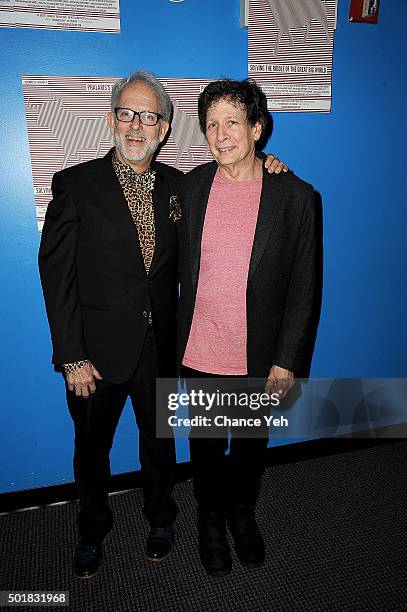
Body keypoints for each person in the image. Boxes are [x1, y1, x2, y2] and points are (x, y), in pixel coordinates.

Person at [38, 70, 287, 579]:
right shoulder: (75, 185)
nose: (136, 125)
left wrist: (272, 166)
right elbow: (55, 275)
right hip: (95, 355)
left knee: (160, 445)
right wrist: (71, 356)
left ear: (165, 129)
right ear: (111, 120)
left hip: (164, 349)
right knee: (91, 451)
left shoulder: (184, 186)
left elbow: (241, 184)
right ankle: (91, 528)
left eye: (149, 116)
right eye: (126, 114)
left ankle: (161, 518)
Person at [177, 78, 320, 577]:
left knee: (251, 446)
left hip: (259, 354)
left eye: (232, 122)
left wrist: (287, 360)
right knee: (207, 447)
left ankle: (242, 515)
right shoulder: (190, 187)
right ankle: (209, 520)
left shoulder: (297, 197)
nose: (220, 135)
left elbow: (305, 287)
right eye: (211, 124)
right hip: (201, 348)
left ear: (257, 129)